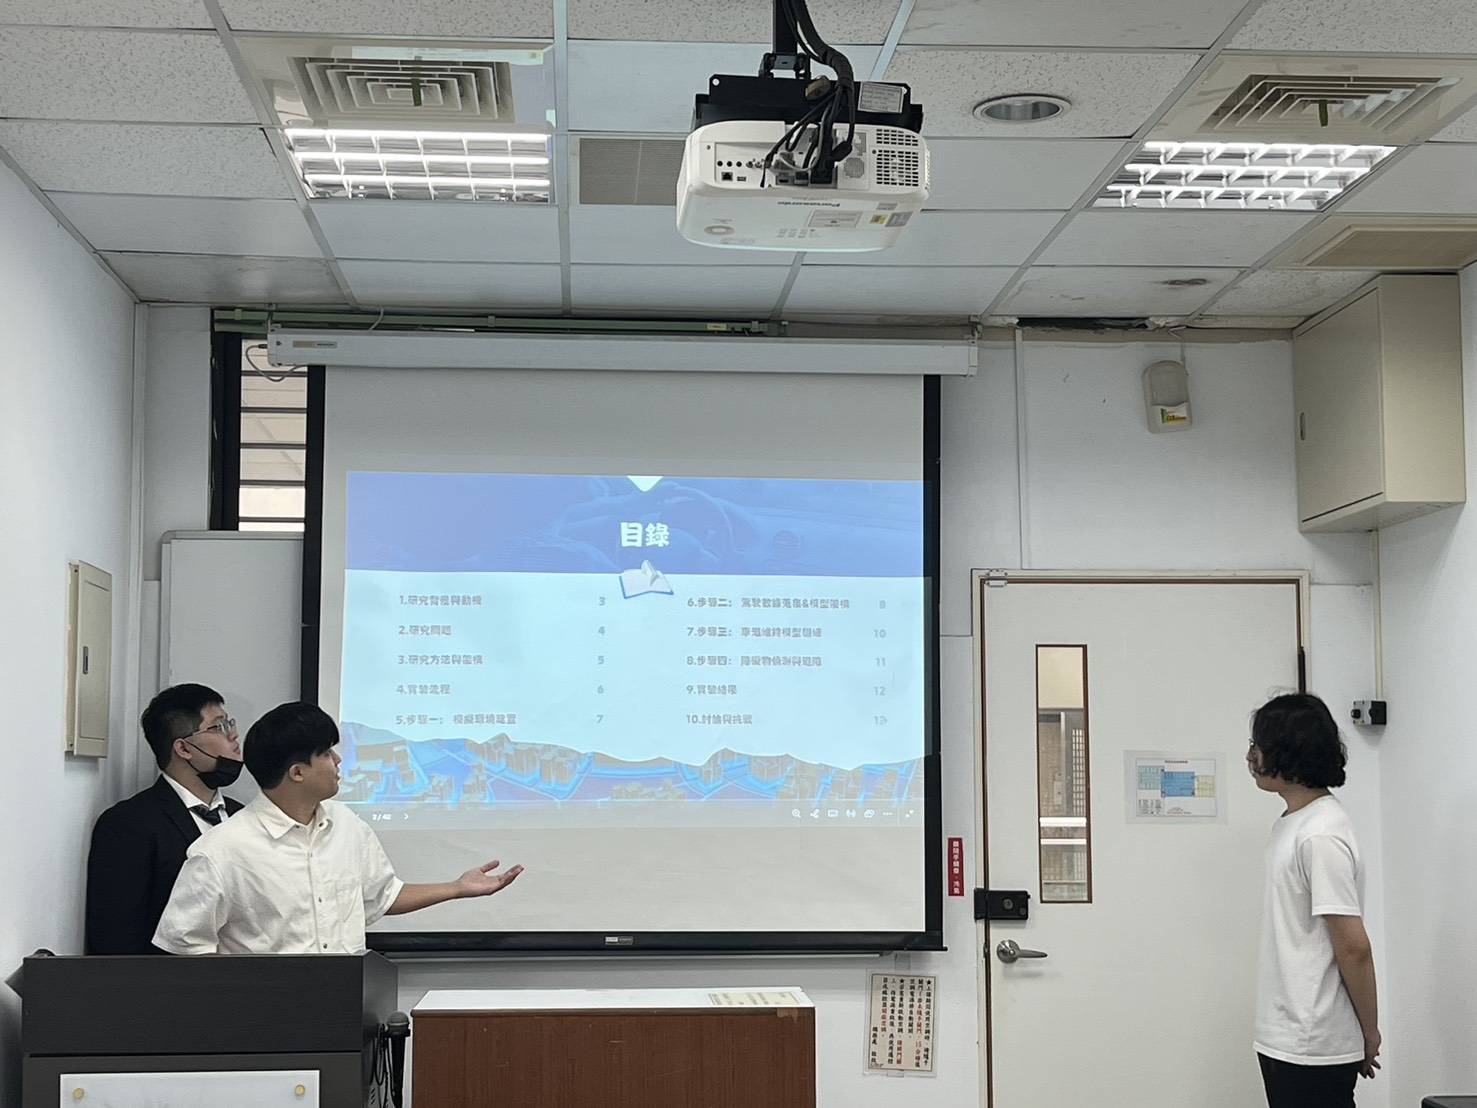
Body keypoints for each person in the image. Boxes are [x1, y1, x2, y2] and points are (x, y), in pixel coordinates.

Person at [154, 701, 522, 954]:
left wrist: (457, 888)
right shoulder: (222, 850)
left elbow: (382, 896)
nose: (338, 760)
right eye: (326, 753)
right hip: (265, 1026)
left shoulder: (346, 825)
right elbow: (184, 944)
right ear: (297, 772)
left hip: (347, 1015)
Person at [1247, 692, 1381, 1108]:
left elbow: (1354, 947)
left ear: (1288, 752)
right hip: (1285, 1037)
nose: (1250, 756)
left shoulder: (1321, 834)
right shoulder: (1292, 824)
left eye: (1258, 745)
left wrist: (1369, 1033)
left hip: (1314, 1041)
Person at [84, 683, 246, 954]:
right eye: (218, 727)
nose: (234, 735)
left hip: (251, 974)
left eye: (229, 723)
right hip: (171, 976)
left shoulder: (242, 816)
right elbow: (116, 943)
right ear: (183, 748)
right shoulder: (128, 824)